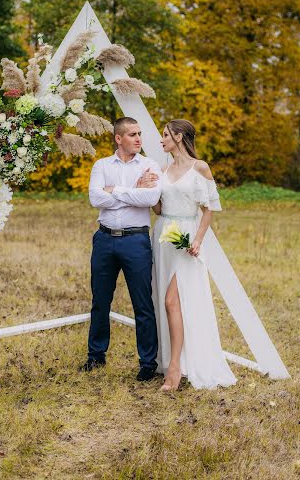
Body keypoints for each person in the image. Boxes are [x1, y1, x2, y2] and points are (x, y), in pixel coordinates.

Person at [151, 119, 237, 391]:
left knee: (171, 301)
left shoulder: (200, 168)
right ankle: (172, 361)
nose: (161, 139)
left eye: (165, 134)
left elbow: (209, 207)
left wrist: (198, 240)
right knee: (165, 300)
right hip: (163, 233)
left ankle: (175, 369)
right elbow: (157, 209)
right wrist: (148, 189)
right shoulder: (163, 169)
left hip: (187, 236)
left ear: (178, 136)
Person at [81, 117, 162, 381]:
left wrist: (114, 191)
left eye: (139, 134)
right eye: (132, 134)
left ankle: (148, 363)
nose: (138, 138)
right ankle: (96, 357)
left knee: (143, 303)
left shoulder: (150, 165)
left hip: (136, 241)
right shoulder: (102, 165)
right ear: (118, 138)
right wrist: (131, 192)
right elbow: (95, 198)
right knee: (100, 301)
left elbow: (150, 198)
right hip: (104, 240)